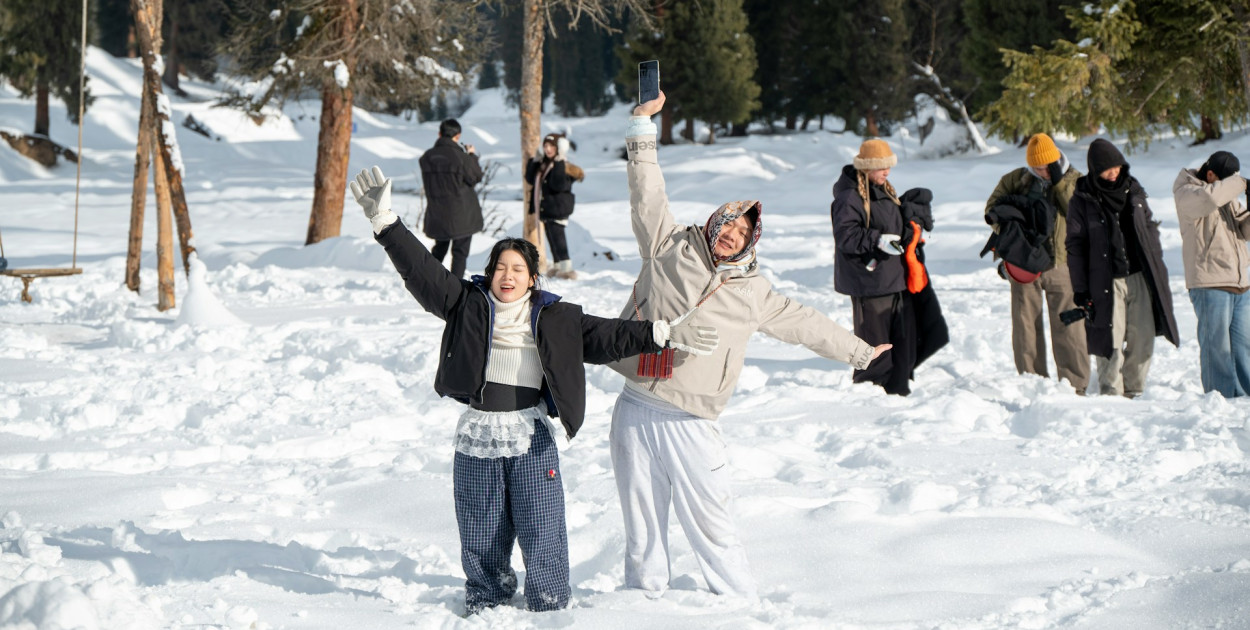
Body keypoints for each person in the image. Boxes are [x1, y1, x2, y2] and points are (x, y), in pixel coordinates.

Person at [349, 165, 721, 614]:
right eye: (500, 267)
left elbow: (608, 336)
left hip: (530, 437)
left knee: (542, 524)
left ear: (532, 279)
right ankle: (487, 598)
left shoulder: (557, 319)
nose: (508, 275)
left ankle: (549, 603)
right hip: (478, 437)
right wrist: (385, 223)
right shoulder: (464, 304)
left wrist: (658, 332)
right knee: (480, 526)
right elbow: (423, 272)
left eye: (518, 268)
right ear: (488, 275)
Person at [605, 92, 890, 599]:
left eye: (743, 231)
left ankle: (740, 605)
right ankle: (643, 606)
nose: (733, 235)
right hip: (633, 406)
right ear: (715, 222)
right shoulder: (667, 247)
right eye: (729, 224)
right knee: (642, 526)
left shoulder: (753, 293)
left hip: (690, 419)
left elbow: (805, 324)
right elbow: (646, 190)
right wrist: (642, 130)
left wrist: (859, 351)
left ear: (751, 241)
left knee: (712, 525)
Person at [1066, 138, 1179, 397]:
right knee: (1110, 340)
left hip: (1139, 275)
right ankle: (1110, 394)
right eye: (1106, 169)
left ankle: (1135, 390)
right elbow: (1075, 247)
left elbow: (1149, 228)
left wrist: (1156, 261)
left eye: (1116, 166)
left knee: (1143, 338)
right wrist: (1081, 290)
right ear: (1095, 171)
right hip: (1106, 280)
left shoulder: (1134, 191)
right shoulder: (1082, 199)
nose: (1113, 172)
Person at [983, 133, 1090, 394]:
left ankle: (1075, 384)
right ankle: (1032, 382)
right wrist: (1013, 232)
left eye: (1045, 166)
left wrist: (1058, 182)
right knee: (1025, 324)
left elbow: (1079, 215)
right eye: (1036, 167)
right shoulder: (1015, 179)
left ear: (1056, 160)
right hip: (1023, 265)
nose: (1040, 171)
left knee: (1069, 325)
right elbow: (992, 211)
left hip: (1063, 265)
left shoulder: (1075, 180)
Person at [831, 139, 939, 396]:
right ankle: (870, 390)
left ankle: (893, 386)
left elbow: (889, 223)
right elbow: (845, 236)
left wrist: (910, 223)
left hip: (892, 277)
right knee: (874, 339)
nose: (886, 172)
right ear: (867, 167)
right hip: (868, 281)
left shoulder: (882, 189)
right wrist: (877, 240)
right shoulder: (849, 197)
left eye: (888, 167)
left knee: (897, 336)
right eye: (881, 167)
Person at [1172, 150, 1250, 397]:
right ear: (1210, 174)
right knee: (1217, 347)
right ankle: (1221, 399)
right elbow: (1209, 199)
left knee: (1243, 347)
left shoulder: (1224, 195)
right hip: (1210, 283)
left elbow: (1244, 231)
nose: (1230, 186)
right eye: (1225, 180)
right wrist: (1241, 182)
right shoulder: (1187, 191)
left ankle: (1245, 397)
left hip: (1239, 282)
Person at [418, 118, 484, 280]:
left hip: (437, 212)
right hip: (462, 213)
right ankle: (455, 286)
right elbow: (475, 177)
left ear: (439, 134)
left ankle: (428, 279)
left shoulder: (427, 157)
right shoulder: (461, 157)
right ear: (458, 136)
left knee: (440, 247)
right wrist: (471, 156)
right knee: (460, 253)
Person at [526, 133, 585, 280]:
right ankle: (558, 266)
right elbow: (530, 178)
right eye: (545, 146)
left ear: (559, 148)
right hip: (548, 209)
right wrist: (535, 160)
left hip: (558, 209)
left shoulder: (563, 166)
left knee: (559, 239)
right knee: (551, 238)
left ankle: (567, 269)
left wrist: (559, 161)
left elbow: (557, 184)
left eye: (551, 146)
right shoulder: (544, 164)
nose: (548, 149)